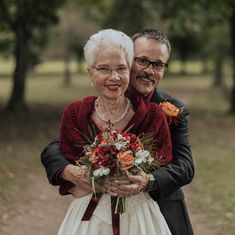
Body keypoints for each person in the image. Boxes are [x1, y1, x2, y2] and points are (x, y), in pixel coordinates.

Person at [41, 29, 194, 235]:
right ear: (129, 60)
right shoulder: (102, 98)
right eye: (142, 61)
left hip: (160, 206)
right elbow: (56, 147)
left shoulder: (171, 109)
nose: (149, 70)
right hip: (99, 213)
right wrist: (68, 171)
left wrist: (148, 181)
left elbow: (185, 166)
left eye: (158, 64)